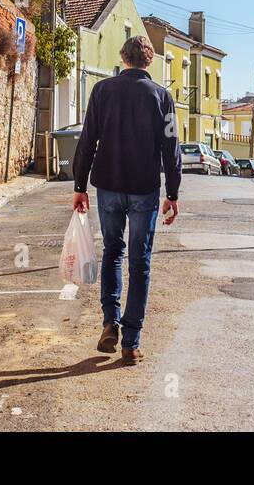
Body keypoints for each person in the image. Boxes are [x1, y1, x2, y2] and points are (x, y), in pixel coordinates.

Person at [72, 35, 180, 364]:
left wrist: (79, 185)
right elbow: (170, 148)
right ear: (149, 62)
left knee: (113, 253)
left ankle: (109, 323)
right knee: (140, 261)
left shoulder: (102, 91)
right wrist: (173, 192)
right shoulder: (161, 96)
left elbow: (87, 139)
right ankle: (131, 343)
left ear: (123, 58)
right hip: (144, 188)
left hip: (107, 184)